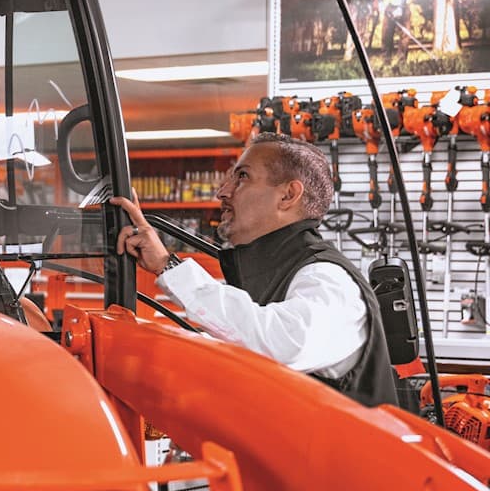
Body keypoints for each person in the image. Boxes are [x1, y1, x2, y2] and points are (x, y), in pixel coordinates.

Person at [110, 132, 398, 408]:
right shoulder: (274, 270)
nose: (222, 192)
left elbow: (283, 343)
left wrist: (167, 265)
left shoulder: (328, 279)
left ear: (288, 195)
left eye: (242, 177)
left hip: (342, 459)